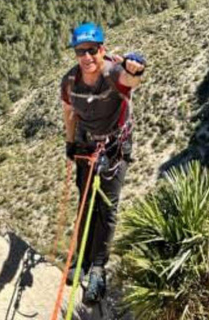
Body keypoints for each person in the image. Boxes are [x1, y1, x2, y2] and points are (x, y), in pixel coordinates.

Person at [60, 22, 146, 304]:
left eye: (92, 50)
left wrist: (136, 69)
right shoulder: (70, 81)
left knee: (107, 208)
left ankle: (98, 267)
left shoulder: (112, 74)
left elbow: (131, 80)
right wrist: (70, 143)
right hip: (86, 145)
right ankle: (81, 261)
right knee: (86, 203)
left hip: (115, 148)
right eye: (80, 51)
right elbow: (69, 113)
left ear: (102, 49)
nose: (86, 57)